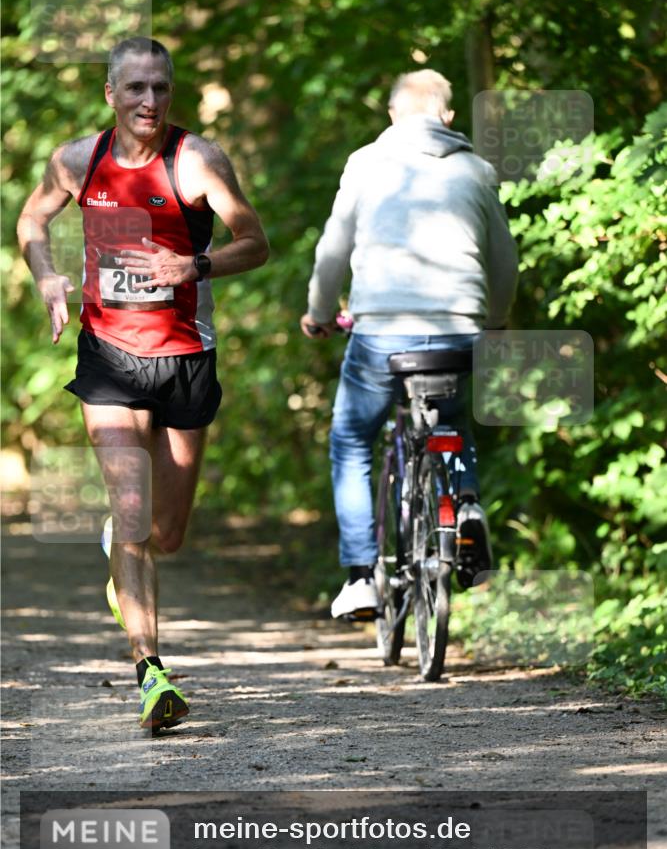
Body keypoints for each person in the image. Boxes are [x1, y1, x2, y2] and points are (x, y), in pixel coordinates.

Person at [18, 37, 269, 729]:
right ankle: (150, 672)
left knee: (168, 532)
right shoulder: (77, 160)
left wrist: (197, 266)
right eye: (135, 88)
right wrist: (46, 275)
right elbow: (32, 218)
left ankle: (121, 545)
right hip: (109, 358)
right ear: (111, 94)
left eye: (160, 88)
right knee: (132, 514)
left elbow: (256, 240)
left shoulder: (197, 161)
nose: (149, 101)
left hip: (187, 357)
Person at [300, 69, 517, 619]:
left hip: (381, 335)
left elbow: (331, 253)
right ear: (448, 116)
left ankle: (359, 578)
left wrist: (320, 313)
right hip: (458, 332)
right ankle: (465, 507)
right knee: (451, 422)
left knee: (351, 440)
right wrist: (496, 321)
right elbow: (504, 261)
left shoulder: (366, 164)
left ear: (393, 115)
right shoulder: (477, 169)